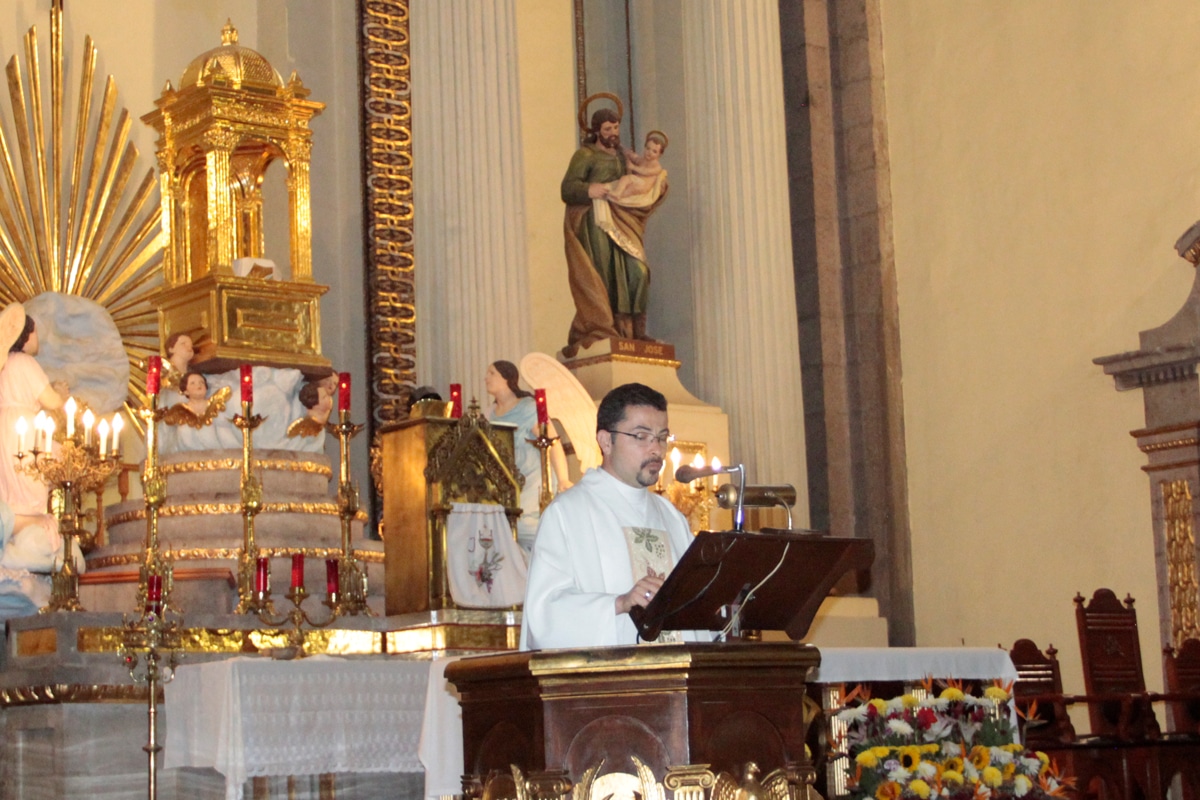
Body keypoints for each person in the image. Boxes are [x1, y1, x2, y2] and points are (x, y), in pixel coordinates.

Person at [520, 382, 699, 649]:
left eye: (662, 437)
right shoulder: (568, 513)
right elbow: (544, 614)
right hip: (609, 684)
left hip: (674, 681)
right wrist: (618, 603)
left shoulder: (671, 517)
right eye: (641, 436)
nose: (656, 450)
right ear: (606, 441)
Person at [561, 107, 669, 355]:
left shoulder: (623, 156)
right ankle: (606, 330)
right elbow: (568, 188)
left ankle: (636, 333)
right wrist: (590, 189)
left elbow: (642, 178)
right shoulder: (585, 155)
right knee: (604, 275)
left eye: (616, 127)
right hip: (596, 222)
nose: (613, 133)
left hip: (622, 219)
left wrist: (658, 186)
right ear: (597, 130)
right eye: (607, 129)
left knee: (638, 271)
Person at [485, 361, 572, 553]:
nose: (486, 378)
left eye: (492, 373)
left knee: (531, 536)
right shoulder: (489, 414)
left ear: (507, 378)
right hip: (505, 487)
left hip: (532, 484)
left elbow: (553, 442)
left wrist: (563, 478)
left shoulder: (528, 408)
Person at [606, 131, 668, 207]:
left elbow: (645, 172)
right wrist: (627, 152)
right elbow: (636, 158)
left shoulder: (657, 166)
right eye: (648, 148)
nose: (649, 152)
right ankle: (617, 193)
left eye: (654, 151)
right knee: (625, 179)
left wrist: (633, 167)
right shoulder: (643, 160)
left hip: (643, 185)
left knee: (630, 189)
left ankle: (619, 197)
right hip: (637, 180)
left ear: (660, 154)